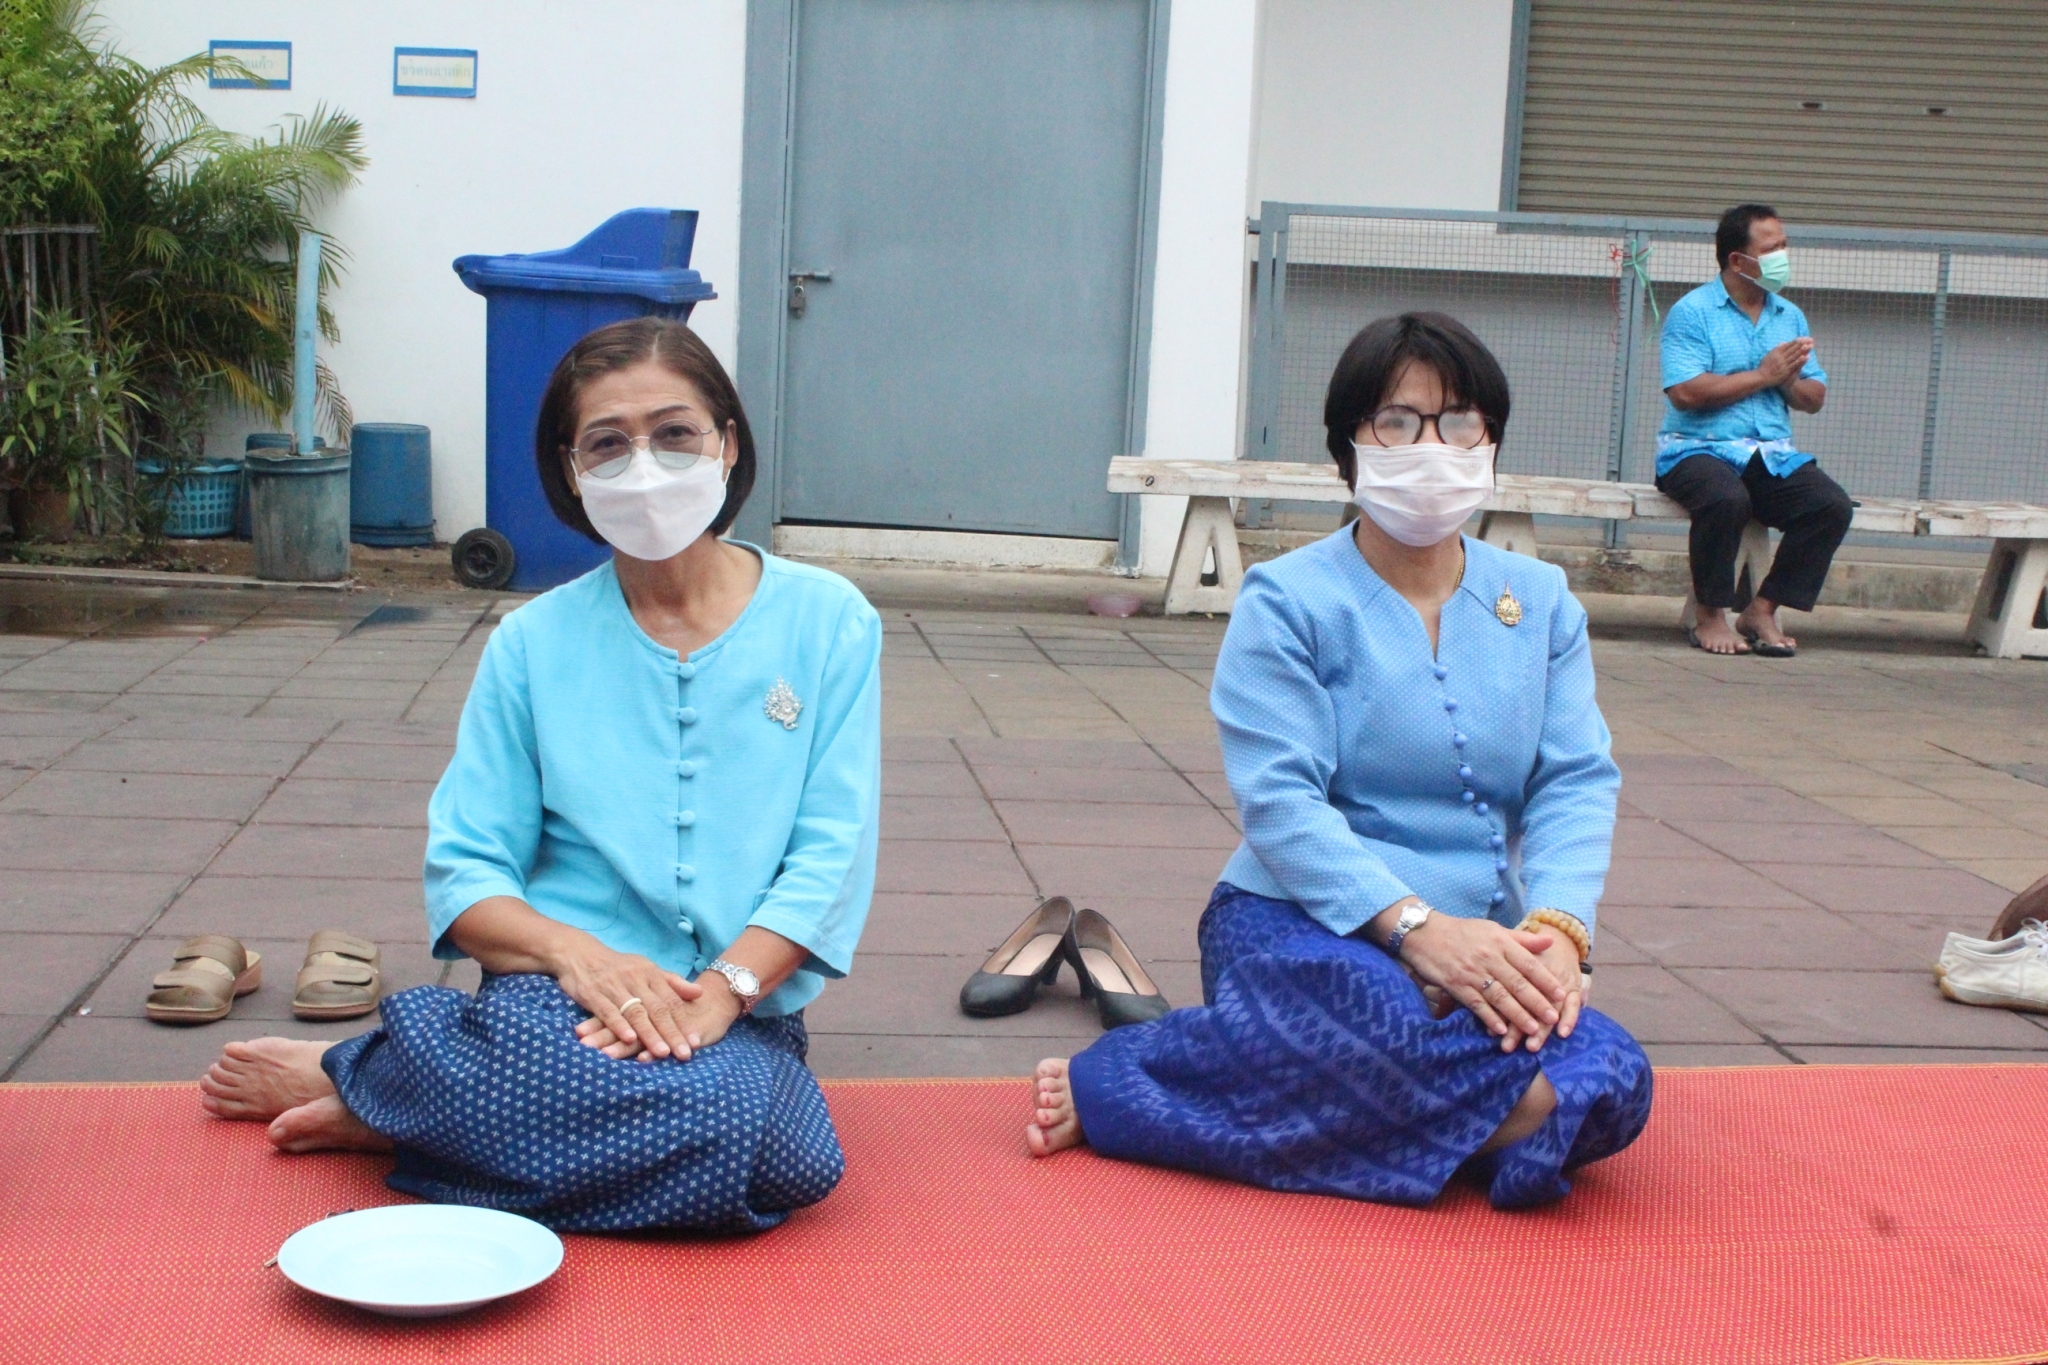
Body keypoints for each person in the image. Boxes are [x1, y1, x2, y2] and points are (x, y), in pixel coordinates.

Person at [198, 317, 883, 1234]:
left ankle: (391, 1100)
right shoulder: (530, 644)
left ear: (726, 441)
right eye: (608, 443)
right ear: (570, 470)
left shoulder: (830, 620)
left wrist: (722, 993)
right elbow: (468, 874)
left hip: (738, 1007)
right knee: (724, 1133)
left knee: (788, 1151)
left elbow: (830, 853)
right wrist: (583, 958)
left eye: (674, 432)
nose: (644, 464)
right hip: (553, 1013)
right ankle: (435, 1098)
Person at [1024, 313, 1651, 1209]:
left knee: (1618, 1075)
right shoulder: (1287, 599)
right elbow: (1280, 803)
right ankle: (1131, 1082)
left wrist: (1558, 929)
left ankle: (1237, 1067)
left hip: (1489, 937)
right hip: (1298, 923)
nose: (1431, 446)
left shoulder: (1542, 602)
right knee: (1394, 1029)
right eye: (1397, 421)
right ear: (1346, 452)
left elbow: (1574, 779)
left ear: (1492, 444)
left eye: (1460, 421)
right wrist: (1419, 933)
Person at [1657, 203, 1853, 657]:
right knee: (1726, 499)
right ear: (1737, 261)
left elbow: (1814, 399)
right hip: (1694, 450)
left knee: (1829, 506)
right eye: (1772, 249)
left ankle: (1761, 608)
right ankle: (1709, 617)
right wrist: (1763, 375)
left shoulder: (1789, 316)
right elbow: (1684, 392)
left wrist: (1786, 379)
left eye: (1784, 245)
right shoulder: (1693, 312)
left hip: (1769, 453)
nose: (1783, 255)